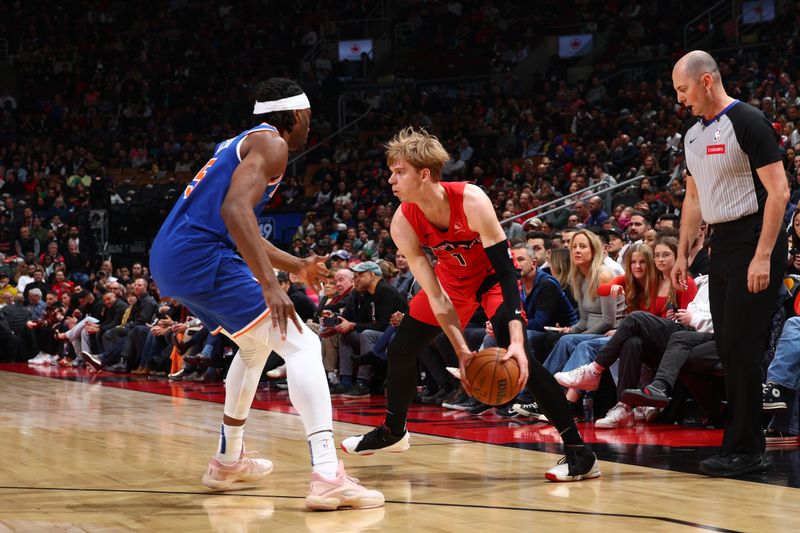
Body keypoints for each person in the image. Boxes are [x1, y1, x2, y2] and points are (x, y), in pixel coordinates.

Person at [148, 78, 383, 510]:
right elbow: (235, 213)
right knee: (303, 343)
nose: (311, 127)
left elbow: (240, 227)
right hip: (201, 255)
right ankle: (329, 475)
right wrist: (272, 286)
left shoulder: (241, 143)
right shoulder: (273, 144)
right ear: (294, 116)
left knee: (254, 350)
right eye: (309, 118)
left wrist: (296, 266)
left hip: (174, 257)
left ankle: (227, 459)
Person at [341, 127, 599, 482]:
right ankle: (394, 429)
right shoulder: (402, 221)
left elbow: (508, 273)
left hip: (493, 278)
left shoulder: (472, 200)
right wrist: (462, 350)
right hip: (452, 283)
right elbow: (435, 294)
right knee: (401, 348)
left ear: (424, 174)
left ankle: (579, 452)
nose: (390, 180)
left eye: (398, 172)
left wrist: (519, 340)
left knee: (519, 357)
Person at [671, 51, 789, 477]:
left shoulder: (748, 120)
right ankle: (739, 444)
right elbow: (694, 199)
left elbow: (779, 193)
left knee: (741, 347)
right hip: (721, 244)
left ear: (705, 81)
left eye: (683, 89)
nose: (680, 99)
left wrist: (762, 254)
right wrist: (684, 253)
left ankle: (747, 449)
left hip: (756, 239)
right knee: (727, 347)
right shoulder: (691, 136)